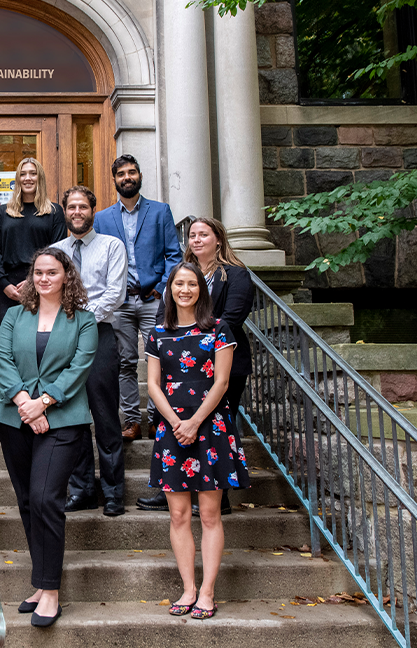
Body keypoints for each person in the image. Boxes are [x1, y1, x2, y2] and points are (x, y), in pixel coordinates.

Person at [0, 247, 97, 628]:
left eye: (51, 272)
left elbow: (79, 367)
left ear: (66, 276)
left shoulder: (83, 321)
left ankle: (51, 589)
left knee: (45, 498)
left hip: (64, 420)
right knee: (26, 500)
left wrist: (44, 404)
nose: (43, 278)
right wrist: (25, 402)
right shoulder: (14, 317)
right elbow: (3, 361)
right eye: (37, 272)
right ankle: (38, 581)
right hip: (14, 417)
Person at [146, 261, 250, 621]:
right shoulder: (157, 333)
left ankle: (207, 592)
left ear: (201, 290)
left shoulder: (218, 329)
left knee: (208, 514)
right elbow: (153, 385)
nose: (185, 289)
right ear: (170, 290)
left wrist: (194, 422)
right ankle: (188, 588)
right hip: (172, 429)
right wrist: (177, 422)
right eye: (179, 284)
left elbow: (222, 382)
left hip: (210, 428)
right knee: (177, 514)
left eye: (192, 284)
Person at [138, 217, 256, 515]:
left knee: (213, 429)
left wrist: (197, 343)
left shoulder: (235, 275)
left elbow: (232, 318)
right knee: (179, 428)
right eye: (192, 235)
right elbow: (166, 316)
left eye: (204, 234)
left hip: (220, 363)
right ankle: (177, 488)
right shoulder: (181, 274)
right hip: (179, 366)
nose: (197, 240)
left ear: (219, 238)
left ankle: (219, 494)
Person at [49, 186, 128, 517]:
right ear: (65, 212)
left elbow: (115, 294)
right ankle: (81, 489)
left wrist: (80, 319)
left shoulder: (112, 246)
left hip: (98, 336)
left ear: (93, 210)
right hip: (63, 341)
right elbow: (48, 290)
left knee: (105, 415)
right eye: (71, 207)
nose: (77, 212)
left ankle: (112, 492)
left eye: (83, 206)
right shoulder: (54, 251)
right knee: (71, 416)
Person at [93, 154, 182, 441]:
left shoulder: (160, 212)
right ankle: (132, 421)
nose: (127, 177)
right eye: (121, 174)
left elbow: (173, 255)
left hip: (153, 300)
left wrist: (164, 286)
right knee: (125, 362)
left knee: (161, 359)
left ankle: (158, 419)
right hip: (119, 302)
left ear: (140, 176)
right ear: (115, 179)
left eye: (132, 172)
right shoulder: (102, 218)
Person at [0, 157, 67, 325]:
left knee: (42, 338)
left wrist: (34, 280)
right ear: (18, 179)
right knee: (11, 339)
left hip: (44, 284)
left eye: (33, 173)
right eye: (23, 174)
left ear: (40, 178)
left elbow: (58, 252)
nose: (28, 178)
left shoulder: (55, 212)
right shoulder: (3, 213)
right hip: (9, 289)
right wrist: (3, 284)